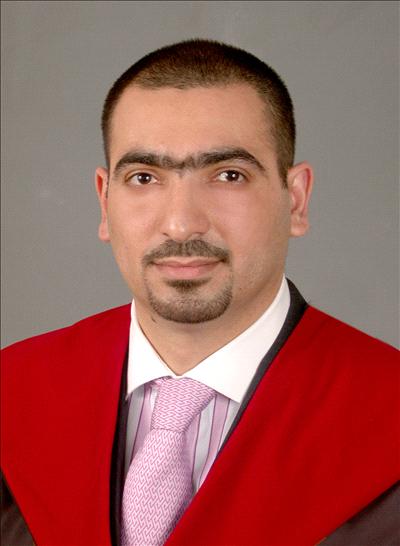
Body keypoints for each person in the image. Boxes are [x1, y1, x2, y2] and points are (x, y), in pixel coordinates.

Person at [1, 39, 398, 546]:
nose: (181, 223)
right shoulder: (13, 398)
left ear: (296, 201)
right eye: (144, 177)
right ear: (104, 201)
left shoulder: (386, 416)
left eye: (229, 175)